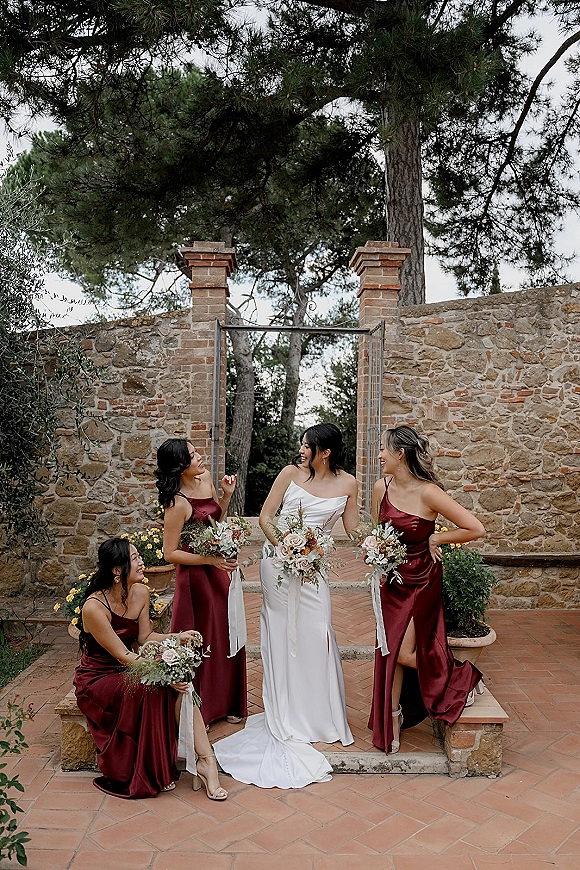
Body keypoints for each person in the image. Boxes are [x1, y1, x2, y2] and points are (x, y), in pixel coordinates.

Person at [215, 423, 358, 788]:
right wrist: (286, 546)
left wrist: (383, 546)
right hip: (278, 565)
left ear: (324, 452)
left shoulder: (349, 484)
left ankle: (317, 716)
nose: (301, 449)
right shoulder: (289, 474)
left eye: (307, 445)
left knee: (316, 634)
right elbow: (265, 518)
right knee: (282, 636)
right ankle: (287, 715)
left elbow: (354, 530)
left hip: (315, 570)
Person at [73, 537, 228, 800]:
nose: (142, 561)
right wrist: (165, 674)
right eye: (134, 558)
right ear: (116, 570)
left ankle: (206, 761)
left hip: (130, 666)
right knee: (154, 688)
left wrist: (177, 637)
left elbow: (145, 637)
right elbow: (123, 655)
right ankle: (155, 770)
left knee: (184, 687)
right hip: (99, 677)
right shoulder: (94, 607)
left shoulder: (141, 592)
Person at [368, 425, 485, 754]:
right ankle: (392, 719)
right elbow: (381, 532)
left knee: (404, 653)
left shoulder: (429, 492)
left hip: (422, 580)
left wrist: (437, 537)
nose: (379, 455)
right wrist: (379, 561)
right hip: (392, 580)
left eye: (383, 449)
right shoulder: (382, 487)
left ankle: (461, 678)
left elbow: (475, 528)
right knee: (389, 651)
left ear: (399, 455)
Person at [156, 438, 247, 726]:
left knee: (225, 633)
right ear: (181, 466)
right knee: (200, 639)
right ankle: (199, 712)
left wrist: (226, 496)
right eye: (193, 455)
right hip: (195, 578)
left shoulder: (206, 479)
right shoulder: (177, 503)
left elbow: (214, 521)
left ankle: (229, 703)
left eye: (196, 452)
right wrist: (210, 561)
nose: (200, 457)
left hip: (217, 570)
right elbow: (170, 553)